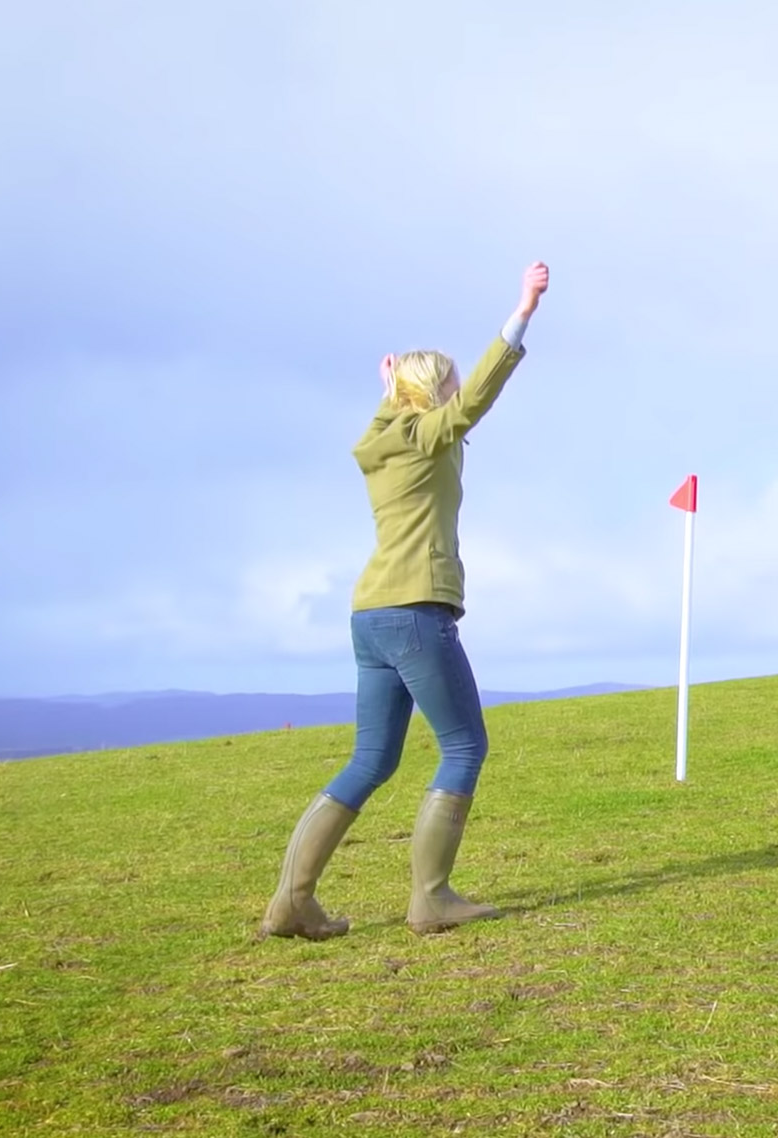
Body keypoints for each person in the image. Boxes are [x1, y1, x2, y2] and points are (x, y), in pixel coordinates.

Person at [262, 261, 550, 940]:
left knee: (371, 760)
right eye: (444, 381)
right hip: (418, 610)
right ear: (431, 393)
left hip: (370, 616)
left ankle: (289, 903)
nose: (454, 389)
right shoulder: (427, 437)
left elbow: (410, 411)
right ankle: (431, 898)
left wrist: (387, 389)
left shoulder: (382, 441)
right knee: (463, 746)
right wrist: (522, 312)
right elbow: (477, 395)